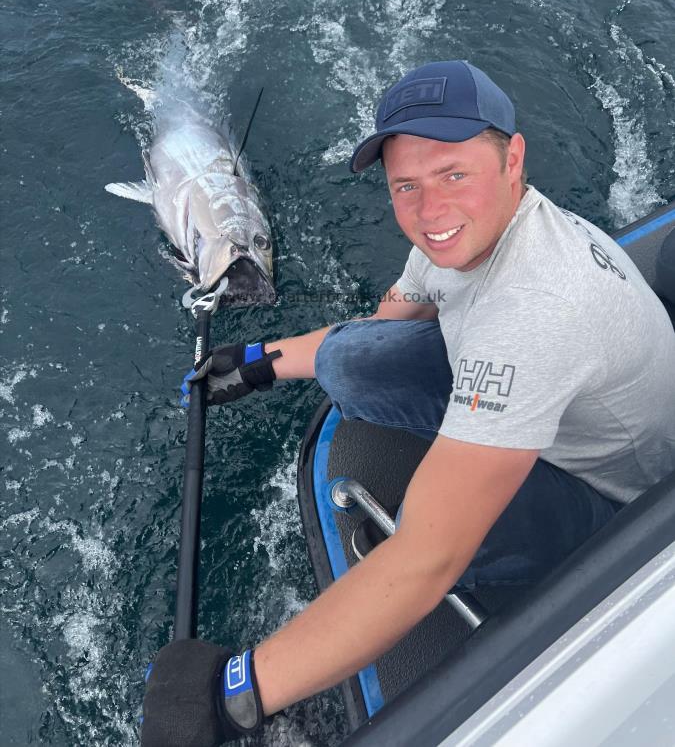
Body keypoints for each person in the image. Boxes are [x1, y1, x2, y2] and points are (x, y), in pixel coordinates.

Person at [141, 60, 675, 746]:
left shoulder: (536, 312)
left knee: (447, 527)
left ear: (512, 157)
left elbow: (428, 555)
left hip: (620, 503)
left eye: (454, 173)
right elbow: (387, 326)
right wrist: (259, 362)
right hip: (554, 409)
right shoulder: (463, 237)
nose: (429, 210)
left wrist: (236, 691)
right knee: (361, 363)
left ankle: (510, 601)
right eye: (406, 185)